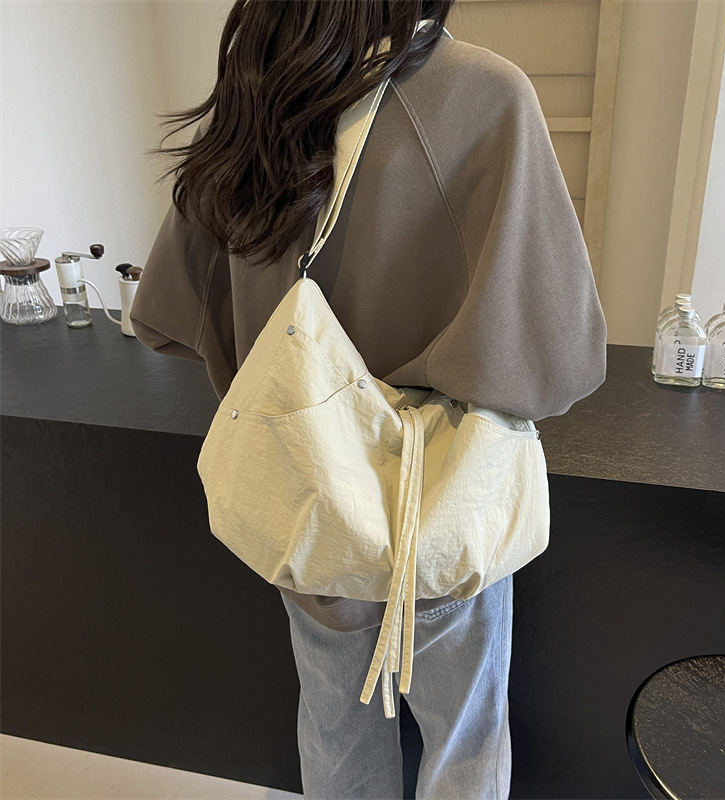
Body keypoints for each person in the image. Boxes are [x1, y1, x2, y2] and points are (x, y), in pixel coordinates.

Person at [130, 1, 607, 797]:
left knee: (334, 720)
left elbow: (166, 318)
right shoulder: (484, 92)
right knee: (464, 738)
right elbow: (559, 360)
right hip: (443, 487)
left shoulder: (258, 91)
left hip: (308, 488)